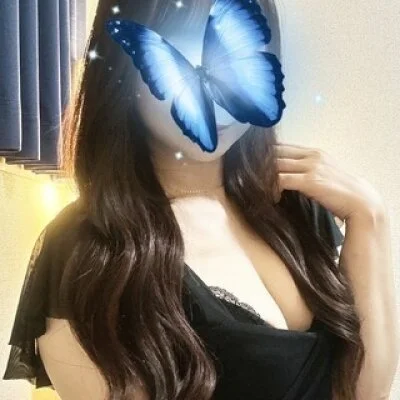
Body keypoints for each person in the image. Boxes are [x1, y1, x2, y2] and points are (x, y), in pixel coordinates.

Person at [3, 0, 374, 399]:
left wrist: (369, 218)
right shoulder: (85, 249)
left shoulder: (298, 206)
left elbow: (364, 390)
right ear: (122, 70)